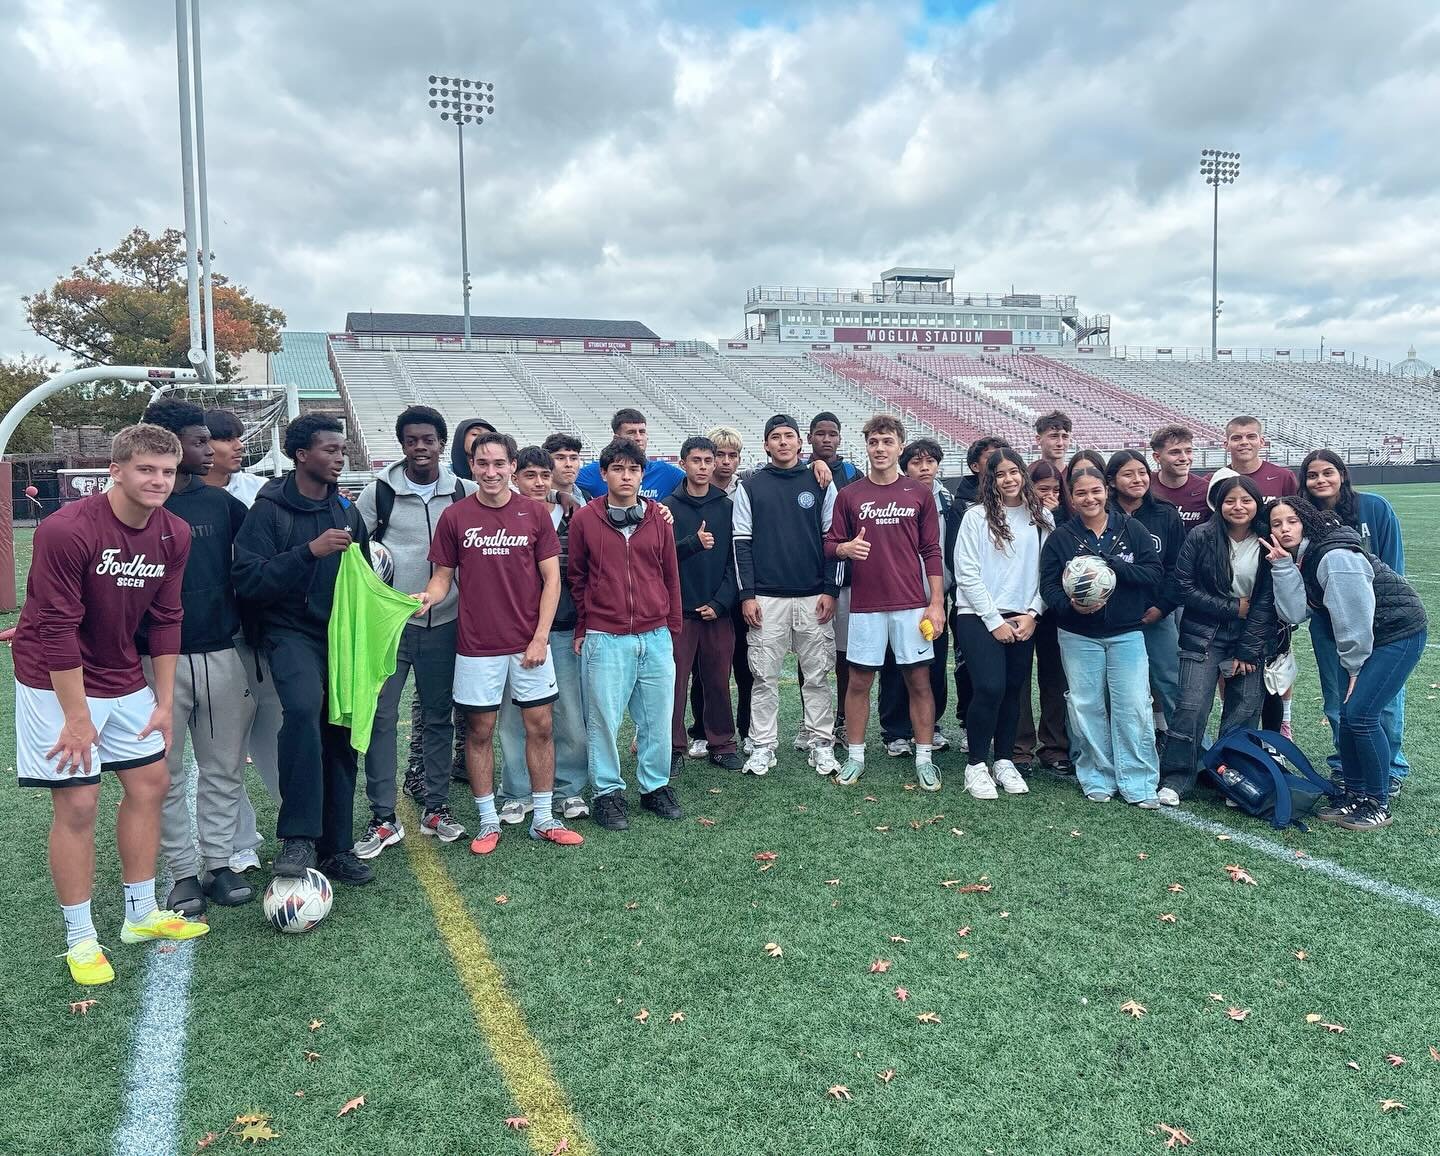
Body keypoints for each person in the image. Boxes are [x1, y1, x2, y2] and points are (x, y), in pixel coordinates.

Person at [15, 424, 210, 985]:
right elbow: (55, 627)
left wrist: (165, 702)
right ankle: (80, 938)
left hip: (122, 672)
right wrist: (76, 718)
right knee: (78, 805)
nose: (158, 481)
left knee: (151, 784)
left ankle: (140, 914)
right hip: (53, 679)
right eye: (146, 469)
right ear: (116, 471)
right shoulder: (66, 529)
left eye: (167, 471)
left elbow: (168, 619)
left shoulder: (173, 533)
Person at [418, 432, 583, 854]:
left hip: (527, 644)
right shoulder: (455, 517)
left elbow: (552, 579)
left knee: (540, 727)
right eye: (482, 464)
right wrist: (425, 598)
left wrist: (540, 637)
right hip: (476, 646)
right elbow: (441, 579)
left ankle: (544, 817)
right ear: (471, 467)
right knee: (479, 731)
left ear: (512, 466)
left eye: (498, 464)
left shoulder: (533, 514)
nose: (490, 472)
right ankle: (489, 821)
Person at [233, 414, 375, 885]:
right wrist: (308, 552)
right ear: (300, 455)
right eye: (330, 450)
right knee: (302, 709)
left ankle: (337, 846)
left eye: (342, 451)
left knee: (340, 725)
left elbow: (364, 581)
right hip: (288, 632)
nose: (340, 458)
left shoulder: (347, 511)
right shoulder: (268, 510)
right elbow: (248, 582)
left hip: (340, 636)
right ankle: (298, 837)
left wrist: (395, 608)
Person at [138, 398, 254, 915]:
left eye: (210, 439)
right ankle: (182, 873)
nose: (210, 450)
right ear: (166, 444)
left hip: (223, 654)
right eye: (198, 440)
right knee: (163, 773)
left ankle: (220, 863)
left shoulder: (224, 505)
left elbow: (259, 565)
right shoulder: (142, 508)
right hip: (150, 662)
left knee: (225, 768)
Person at [354, 406, 476, 858]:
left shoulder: (463, 491)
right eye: (411, 440)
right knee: (382, 718)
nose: (420, 447)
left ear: (442, 444)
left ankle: (436, 807)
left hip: (445, 622)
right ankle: (383, 816)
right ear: (402, 444)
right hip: (389, 627)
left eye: (428, 439)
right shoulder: (379, 492)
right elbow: (352, 548)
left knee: (438, 717)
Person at [1266, 497, 1427, 831]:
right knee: (1348, 716)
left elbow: (1354, 617)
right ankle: (1353, 793)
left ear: (1306, 521)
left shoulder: (1333, 555)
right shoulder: (1301, 557)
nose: (1284, 529)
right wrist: (1281, 567)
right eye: (1276, 523)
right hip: (1374, 634)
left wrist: (1355, 667)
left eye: (1292, 521)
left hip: (1398, 631)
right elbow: (1294, 614)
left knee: (1360, 715)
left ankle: (1377, 802)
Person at [569, 437, 685, 830]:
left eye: (632, 469)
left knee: (656, 717)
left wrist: (672, 626)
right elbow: (578, 577)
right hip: (606, 635)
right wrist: (585, 625)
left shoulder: (659, 517)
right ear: (604, 474)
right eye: (617, 469)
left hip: (654, 634)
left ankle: (655, 787)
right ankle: (607, 792)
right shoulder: (586, 519)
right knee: (603, 717)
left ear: (641, 474)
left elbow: (670, 574)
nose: (625, 475)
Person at [824, 415, 945, 788]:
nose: (880, 449)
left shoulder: (919, 494)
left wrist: (936, 602)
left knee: (919, 681)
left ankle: (924, 757)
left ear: (899, 446)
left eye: (887, 442)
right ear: (867, 446)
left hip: (911, 604)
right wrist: (845, 548)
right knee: (859, 681)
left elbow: (931, 549)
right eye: (874, 442)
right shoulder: (850, 495)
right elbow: (829, 545)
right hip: (865, 605)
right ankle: (855, 757)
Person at [1039, 466, 1163, 807]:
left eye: (1095, 491)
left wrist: (1112, 567)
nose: (1089, 498)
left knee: (1134, 705)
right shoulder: (1061, 538)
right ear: (1072, 499)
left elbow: (1153, 572)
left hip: (1126, 633)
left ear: (1106, 491)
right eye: (1081, 494)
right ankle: (1097, 775)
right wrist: (1071, 607)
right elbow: (1048, 586)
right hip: (1078, 635)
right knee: (1085, 705)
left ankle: (1138, 781)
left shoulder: (1131, 529)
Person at [733, 415, 842, 776]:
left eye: (789, 436)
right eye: (775, 437)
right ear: (765, 444)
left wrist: (830, 588)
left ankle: (821, 743)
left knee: (817, 675)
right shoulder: (750, 486)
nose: (782, 442)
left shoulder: (820, 481)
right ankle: (763, 745)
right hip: (766, 598)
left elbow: (834, 540)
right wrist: (747, 594)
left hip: (814, 596)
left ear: (800, 443)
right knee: (763, 677)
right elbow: (741, 544)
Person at [1157, 474, 1276, 804]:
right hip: (1203, 634)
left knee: (1244, 708)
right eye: (1230, 500)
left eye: (1246, 500)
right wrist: (1232, 607)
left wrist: (1248, 647)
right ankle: (1178, 776)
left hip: (1251, 636)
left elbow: (1267, 600)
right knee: (1191, 707)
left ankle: (1233, 779)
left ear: (1257, 503)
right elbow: (1183, 586)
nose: (1238, 507)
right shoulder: (1201, 535)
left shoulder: (1268, 539)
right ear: (1218, 504)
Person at [1298, 449, 1410, 795]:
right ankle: (1346, 764)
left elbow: (1393, 561)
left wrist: (1381, 611)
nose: (1321, 480)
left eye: (1327, 472)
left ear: (1342, 474)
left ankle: (1390, 766)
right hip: (1328, 623)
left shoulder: (1374, 507)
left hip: (1381, 623)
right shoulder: (1304, 516)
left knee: (1383, 699)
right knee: (1337, 699)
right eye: (1313, 475)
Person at [494, 446, 591, 822]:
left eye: (544, 476)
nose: (537, 483)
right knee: (514, 716)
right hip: (514, 632)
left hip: (563, 629)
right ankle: (517, 791)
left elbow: (585, 575)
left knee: (568, 715)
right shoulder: (501, 517)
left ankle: (568, 788)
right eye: (530, 475)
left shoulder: (573, 516)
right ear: (515, 476)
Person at [950, 448, 1051, 799]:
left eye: (1013, 472)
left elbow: (1047, 574)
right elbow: (966, 572)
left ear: (1022, 473)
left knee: (1013, 691)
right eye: (1000, 475)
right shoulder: (976, 517)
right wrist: (994, 621)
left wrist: (1034, 614)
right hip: (978, 615)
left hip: (1023, 617)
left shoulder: (1043, 518)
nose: (1009, 480)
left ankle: (1004, 761)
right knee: (989, 687)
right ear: (989, 480)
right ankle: (976, 764)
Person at [664, 436, 742, 774]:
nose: (703, 467)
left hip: (716, 611)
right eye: (696, 460)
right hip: (679, 613)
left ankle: (721, 743)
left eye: (708, 461)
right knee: (674, 683)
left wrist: (721, 603)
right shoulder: (667, 508)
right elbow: (660, 561)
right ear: (683, 463)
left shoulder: (726, 506)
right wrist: (691, 544)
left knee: (717, 681)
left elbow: (734, 561)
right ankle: (672, 747)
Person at [878, 438, 954, 756]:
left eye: (930, 461)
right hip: (900, 596)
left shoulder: (948, 501)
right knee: (896, 665)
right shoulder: (895, 498)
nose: (924, 468)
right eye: (916, 462)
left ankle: (930, 726)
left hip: (934, 596)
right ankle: (895, 730)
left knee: (933, 664)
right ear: (904, 466)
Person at [1106, 450, 1184, 737]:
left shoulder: (1165, 513)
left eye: (1142, 472)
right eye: (1128, 474)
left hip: (1156, 614)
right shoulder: (1101, 515)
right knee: (1118, 686)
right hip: (1111, 618)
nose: (1138, 479)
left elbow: (1178, 568)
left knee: (1171, 680)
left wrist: (1162, 607)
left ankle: (1188, 751)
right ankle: (1123, 746)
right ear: (1111, 481)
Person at [685, 425, 751, 758]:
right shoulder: (676, 501)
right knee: (688, 676)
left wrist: (723, 601)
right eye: (716, 456)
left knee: (731, 672)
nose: (720, 463)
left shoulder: (737, 499)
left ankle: (733, 737)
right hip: (690, 606)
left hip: (730, 602)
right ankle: (688, 737)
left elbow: (736, 557)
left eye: (730, 455)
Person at [1011, 459, 1071, 774]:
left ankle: (1055, 746)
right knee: (1018, 678)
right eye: (1041, 488)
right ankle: (1020, 748)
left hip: (1054, 608)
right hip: (1020, 606)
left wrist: (1055, 514)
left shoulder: (1063, 516)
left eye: (1054, 489)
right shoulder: (1014, 516)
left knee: (1054, 677)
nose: (1049, 495)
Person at [808, 412, 862, 740]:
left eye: (832, 434)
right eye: (820, 434)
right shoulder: (799, 471)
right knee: (810, 653)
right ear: (810, 438)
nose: (827, 439)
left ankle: (842, 717)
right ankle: (810, 720)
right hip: (810, 576)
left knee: (844, 652)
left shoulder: (853, 473)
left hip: (847, 577)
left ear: (840, 438)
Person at [575, 408, 686, 501]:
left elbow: (698, 486)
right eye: (631, 432)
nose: (638, 438)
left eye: (642, 432)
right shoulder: (597, 470)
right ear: (616, 439)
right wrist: (561, 496)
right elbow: (560, 483)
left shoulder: (664, 472)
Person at [1149, 424, 1210, 532]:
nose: (1184, 458)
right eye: (1175, 452)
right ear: (1157, 457)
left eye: (1188, 451)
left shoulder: (1206, 490)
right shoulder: (1145, 487)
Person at [201, 407, 265, 506]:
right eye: (228, 439)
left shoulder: (261, 488)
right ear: (200, 444)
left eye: (239, 438)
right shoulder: (174, 492)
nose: (240, 446)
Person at [1224, 416, 1297, 498]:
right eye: (1236, 438)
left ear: (1262, 442)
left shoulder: (1284, 477)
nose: (1244, 442)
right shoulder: (1215, 480)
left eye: (1251, 437)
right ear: (1226, 445)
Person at [542, 432, 591, 504]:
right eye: (560, 458)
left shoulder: (588, 498)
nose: (568, 464)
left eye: (573, 458)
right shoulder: (536, 499)